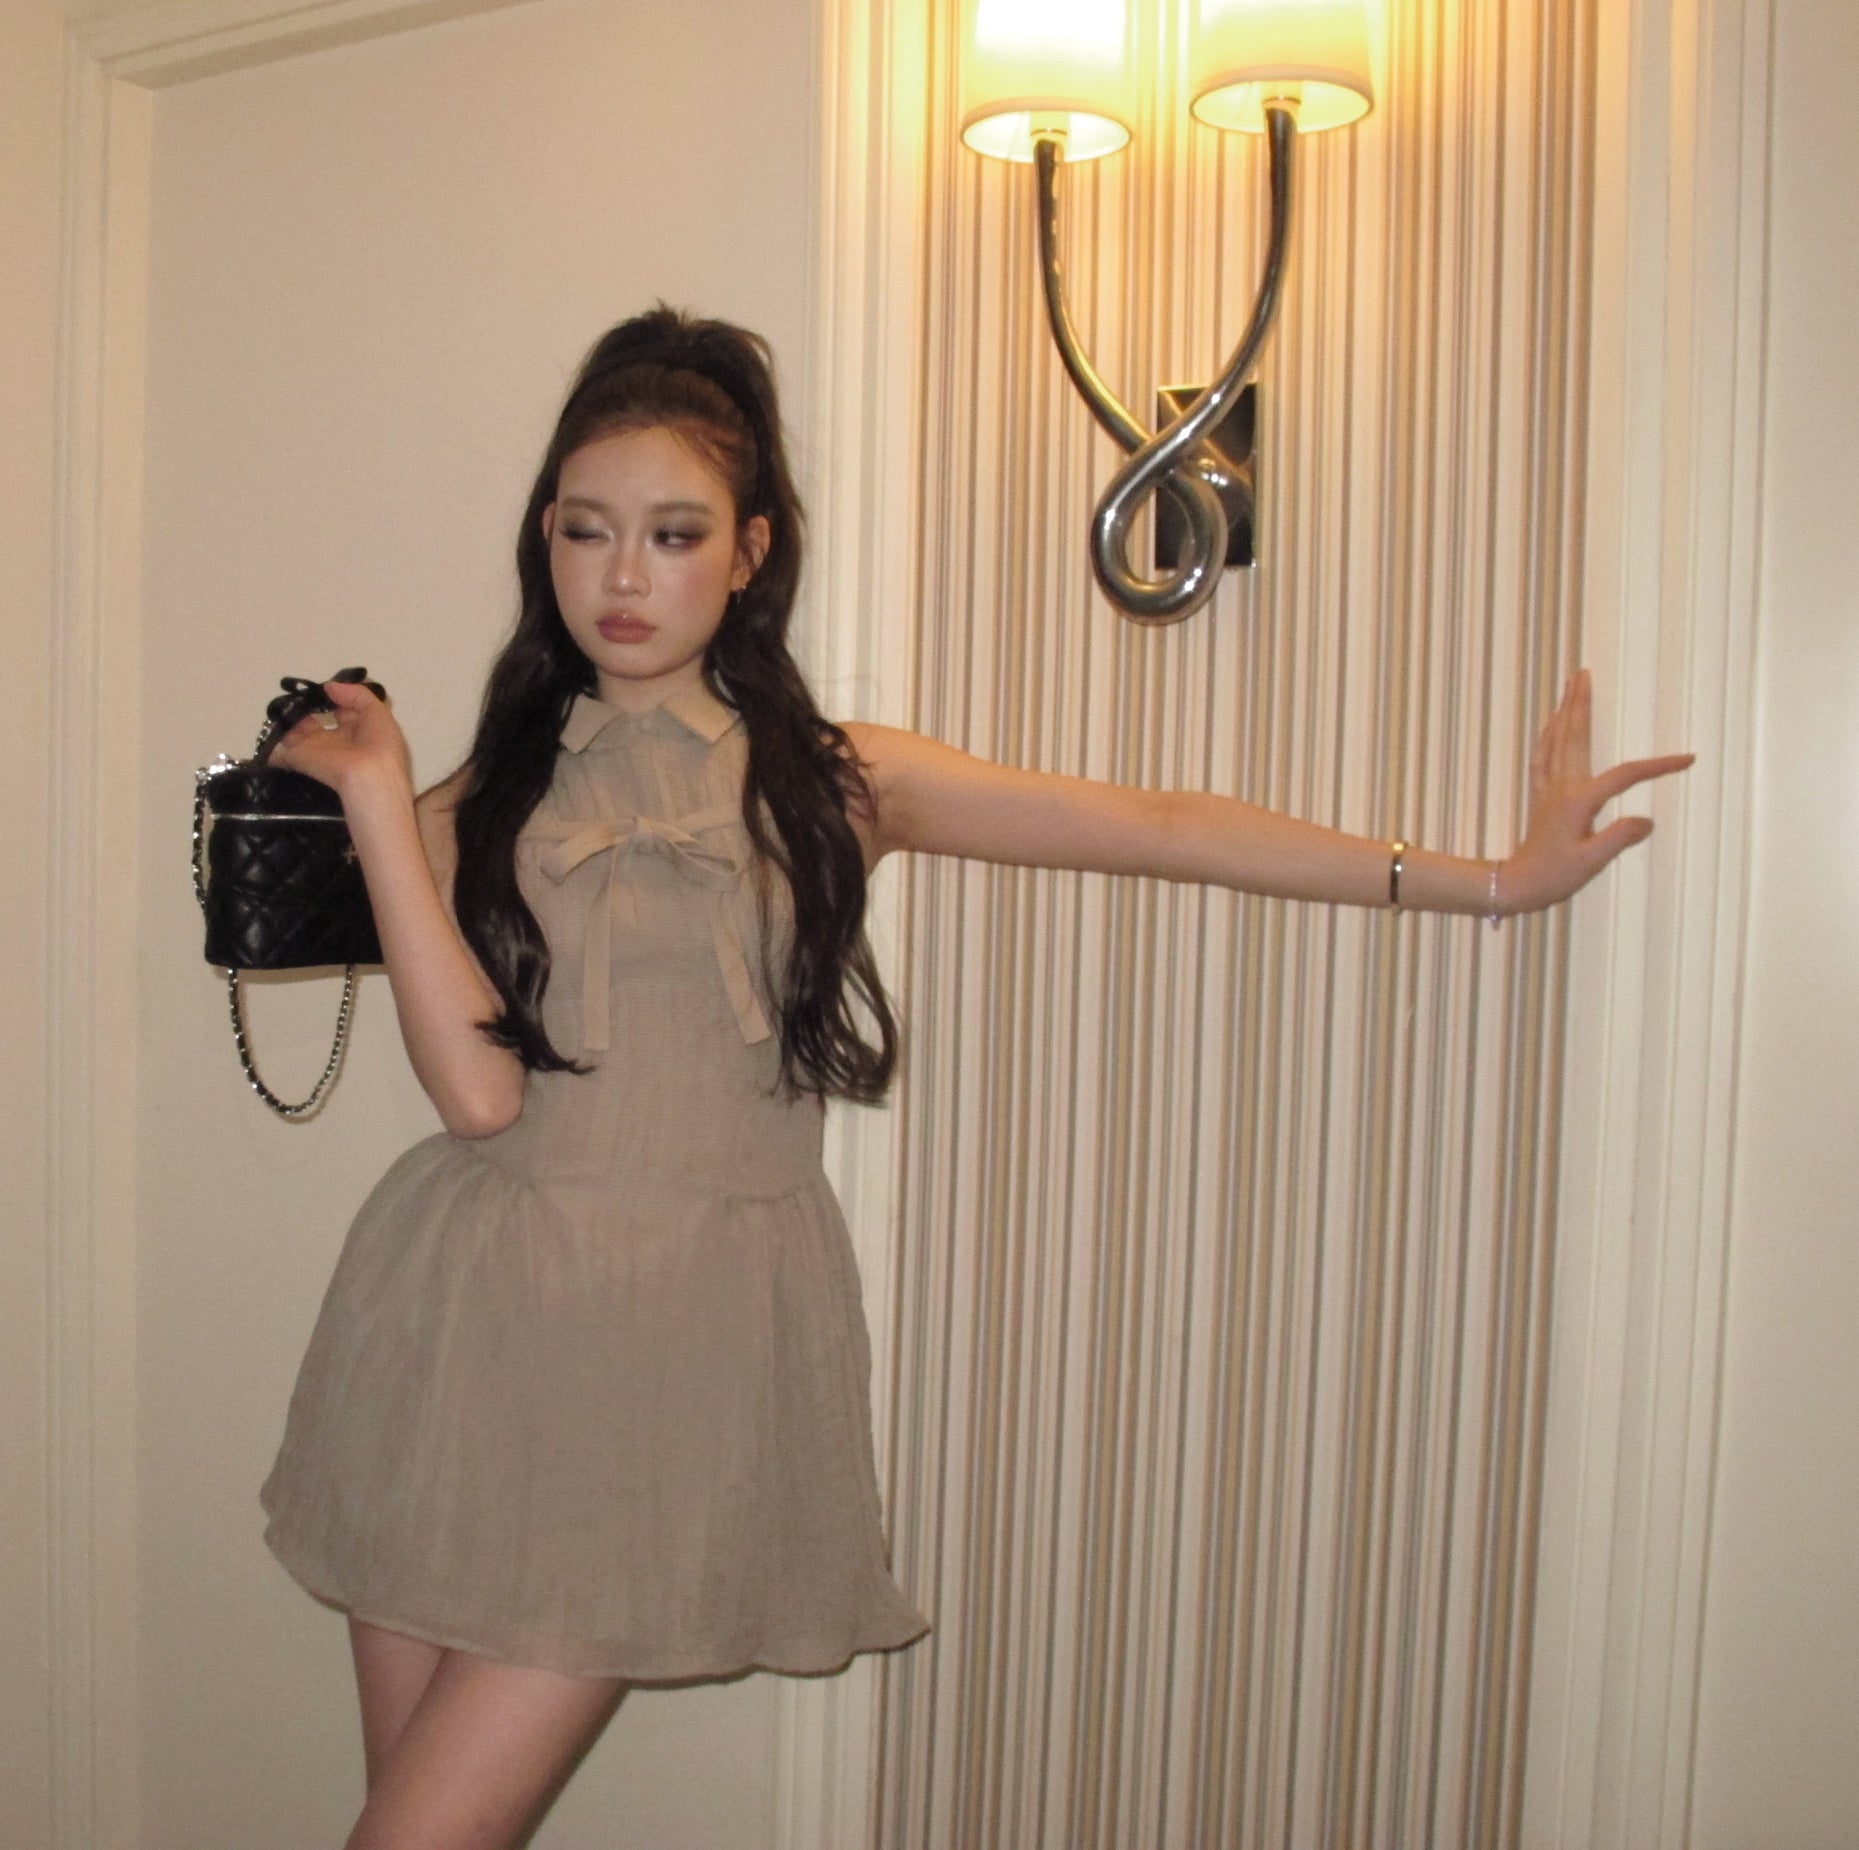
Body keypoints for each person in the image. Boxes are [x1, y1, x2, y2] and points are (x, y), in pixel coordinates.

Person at [257, 306, 1691, 1850]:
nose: (622, 574)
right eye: (586, 528)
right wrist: (368, 808)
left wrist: (1493, 878)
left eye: (674, 533)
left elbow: (1157, 824)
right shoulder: (482, 794)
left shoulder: (838, 779)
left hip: (671, 1354)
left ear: (749, 551)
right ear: (545, 534)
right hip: (458, 1331)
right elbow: (477, 1098)